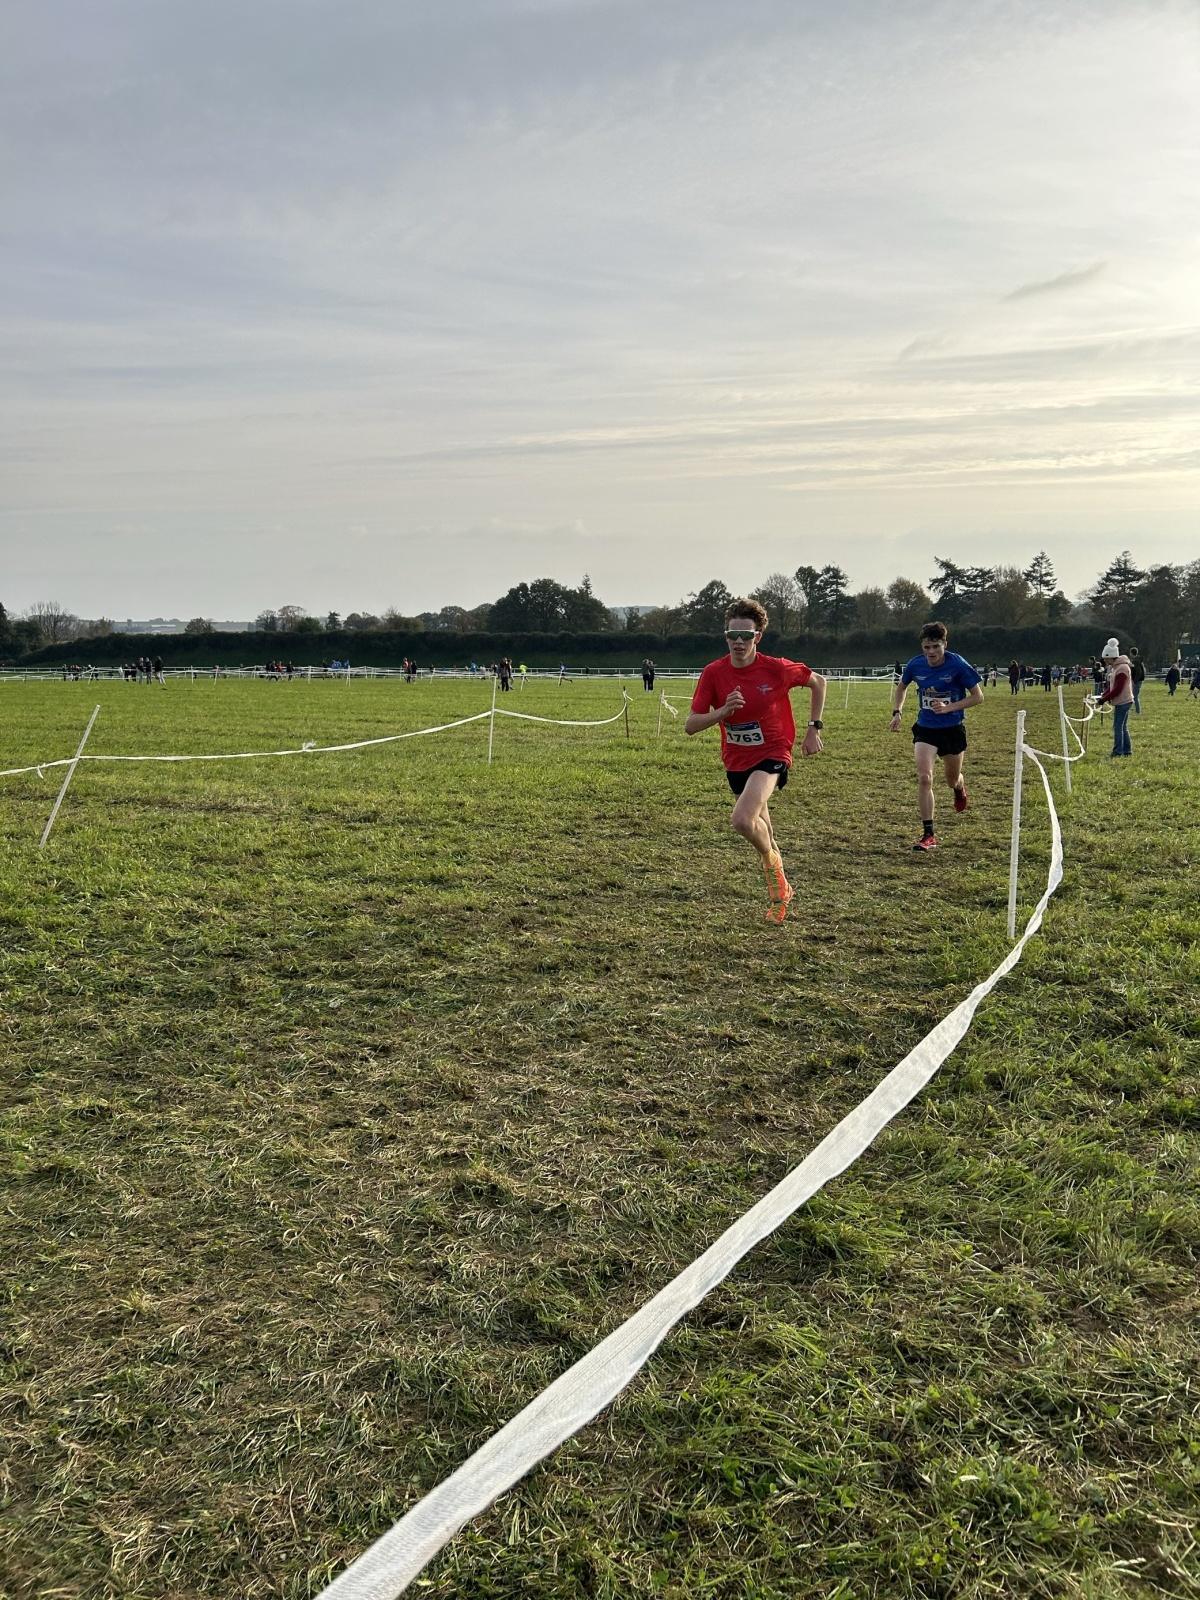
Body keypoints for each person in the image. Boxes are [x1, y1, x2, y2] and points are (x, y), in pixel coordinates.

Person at [685, 599, 825, 923]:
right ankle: (781, 891)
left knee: (742, 820)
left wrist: (813, 729)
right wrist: (722, 712)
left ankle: (772, 867)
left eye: (745, 636)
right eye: (732, 635)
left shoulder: (775, 668)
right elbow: (691, 725)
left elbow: (819, 682)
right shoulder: (714, 673)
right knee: (764, 830)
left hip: (774, 751)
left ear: (758, 636)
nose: (738, 642)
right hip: (736, 759)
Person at [889, 622, 984, 853]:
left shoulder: (957, 664)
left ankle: (959, 788)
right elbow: (901, 688)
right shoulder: (915, 664)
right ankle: (928, 834)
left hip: (952, 729)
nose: (930, 652)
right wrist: (897, 712)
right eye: (926, 647)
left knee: (951, 779)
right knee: (924, 778)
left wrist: (951, 706)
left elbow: (978, 697)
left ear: (945, 645)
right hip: (926, 728)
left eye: (935, 647)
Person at [1096, 637, 1133, 756]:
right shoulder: (1116, 667)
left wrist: (1104, 699)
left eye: (1106, 659)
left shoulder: (1122, 668)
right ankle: (1127, 751)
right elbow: (1112, 687)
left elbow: (1118, 689)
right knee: (1122, 727)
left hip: (1123, 701)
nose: (1105, 661)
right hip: (1123, 701)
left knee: (1118, 727)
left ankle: (1118, 752)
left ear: (1112, 656)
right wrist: (1103, 696)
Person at [1129, 648, 1145, 713]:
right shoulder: (1138, 661)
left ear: (1132, 653)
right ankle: (1134, 709)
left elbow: (1138, 672)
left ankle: (1138, 711)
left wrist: (1135, 681)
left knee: (1134, 696)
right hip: (1138, 680)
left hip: (1137, 681)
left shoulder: (1136, 661)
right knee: (1133, 696)